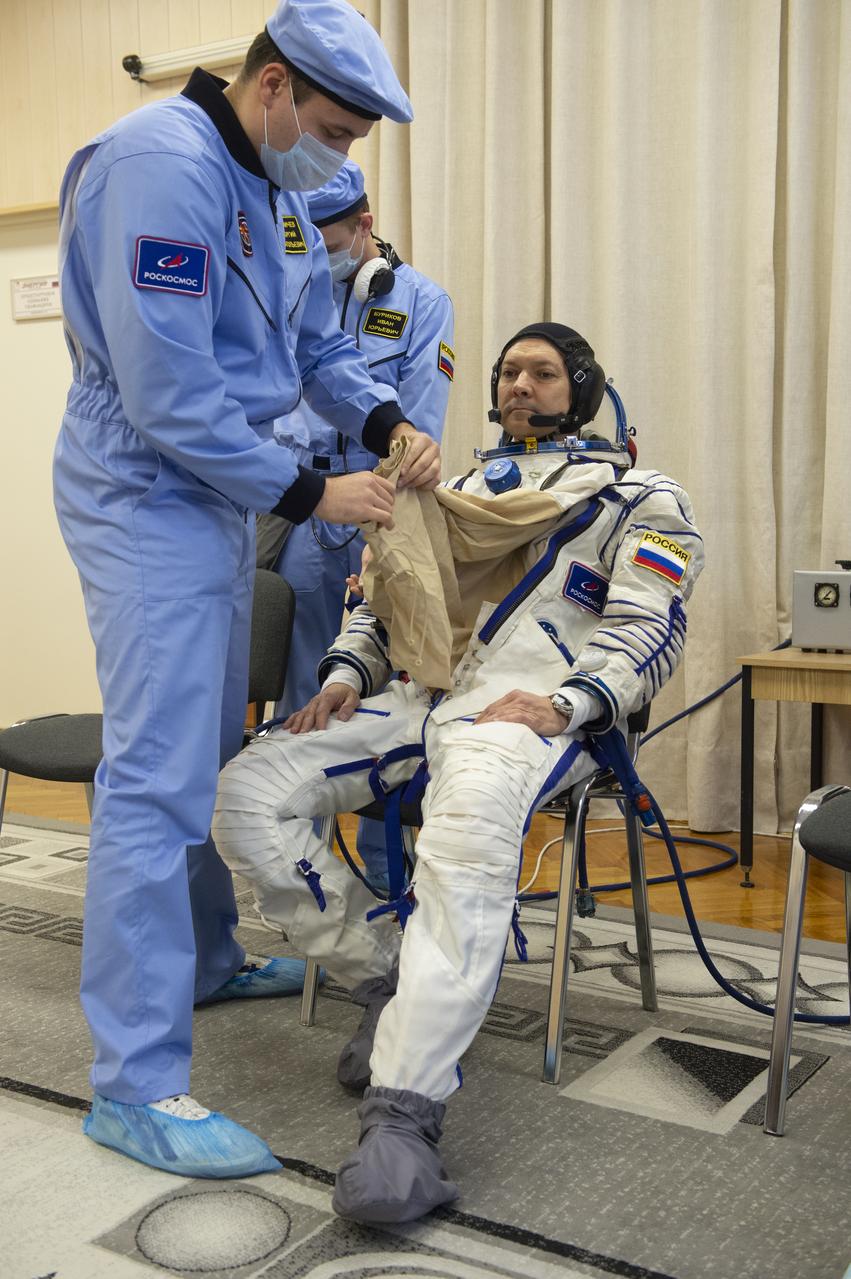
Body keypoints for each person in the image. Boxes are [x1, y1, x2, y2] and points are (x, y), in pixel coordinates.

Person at [52, 0, 441, 1180]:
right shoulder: (154, 170)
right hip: (145, 495)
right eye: (329, 127)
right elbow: (167, 394)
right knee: (155, 781)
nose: (338, 157)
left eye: (354, 143)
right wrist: (311, 496)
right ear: (269, 87)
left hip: (215, 498)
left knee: (206, 747)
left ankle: (210, 958)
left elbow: (312, 347)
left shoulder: (271, 190)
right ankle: (131, 1082)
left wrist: (382, 418)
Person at [213, 322, 704, 1219]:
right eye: (509, 371)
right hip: (418, 691)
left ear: (582, 387)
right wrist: (340, 676)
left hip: (527, 707)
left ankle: (403, 1113)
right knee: (250, 790)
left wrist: (573, 700)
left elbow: (647, 625)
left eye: (543, 372)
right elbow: (383, 602)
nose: (521, 384)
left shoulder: (637, 497)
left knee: (467, 832)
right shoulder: (447, 489)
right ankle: (386, 968)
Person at [267, 157, 454, 886]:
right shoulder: (291, 296)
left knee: (381, 695)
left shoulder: (420, 301)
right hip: (304, 503)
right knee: (307, 699)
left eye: (328, 233)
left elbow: (417, 430)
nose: (316, 249)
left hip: (382, 508)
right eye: (302, 237)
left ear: (364, 225)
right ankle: (301, 875)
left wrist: (381, 516)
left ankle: (386, 878)